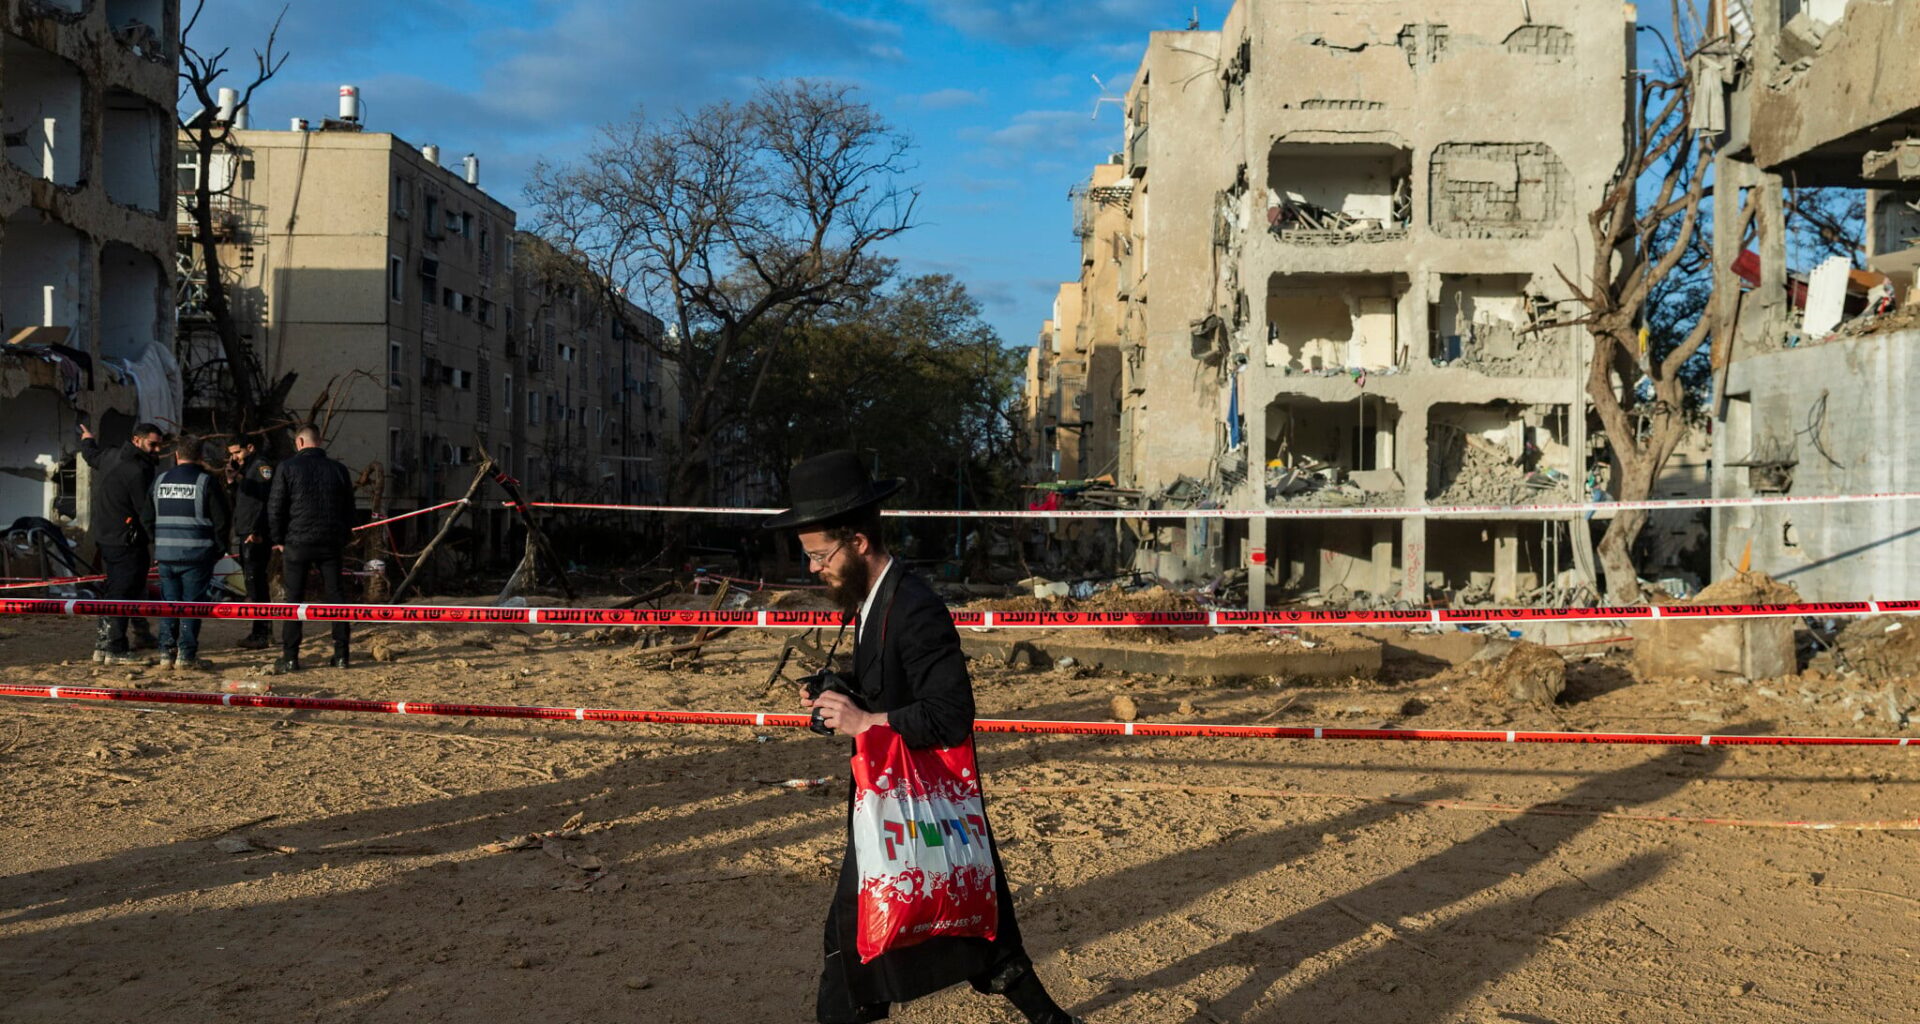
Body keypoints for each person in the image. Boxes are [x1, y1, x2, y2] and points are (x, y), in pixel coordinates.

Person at [768, 450, 1083, 1024]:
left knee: (852, 942)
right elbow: (892, 686)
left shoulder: (914, 607)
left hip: (911, 797)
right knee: (975, 938)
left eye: (819, 555)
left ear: (858, 542)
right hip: (892, 797)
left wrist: (865, 723)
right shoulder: (870, 600)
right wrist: (842, 694)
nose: (813, 569)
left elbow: (951, 712)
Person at [266, 423, 356, 673]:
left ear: (300, 443)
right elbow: (350, 508)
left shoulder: (287, 467)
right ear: (320, 441)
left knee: (293, 600)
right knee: (336, 598)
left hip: (296, 542)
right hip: (330, 543)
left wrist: (279, 539)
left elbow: (275, 507)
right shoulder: (338, 469)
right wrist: (343, 536)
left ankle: (291, 656)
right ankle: (341, 655)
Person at [88, 422, 164, 664]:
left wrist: (86, 440)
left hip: (111, 537)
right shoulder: (137, 470)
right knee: (122, 591)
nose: (156, 450)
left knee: (123, 589)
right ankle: (114, 646)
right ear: (137, 441)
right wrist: (157, 539)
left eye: (159, 445)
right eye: (152, 444)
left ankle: (112, 643)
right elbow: (145, 510)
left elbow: (91, 455)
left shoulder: (114, 458)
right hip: (125, 540)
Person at [152, 436, 230, 671]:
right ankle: (186, 655)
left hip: (165, 555)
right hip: (196, 555)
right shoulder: (206, 482)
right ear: (201, 457)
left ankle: (166, 653)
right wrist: (218, 549)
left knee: (169, 603)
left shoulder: (160, 480)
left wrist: (157, 545)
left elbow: (146, 517)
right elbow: (222, 520)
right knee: (191, 605)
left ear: (177, 455)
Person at [225, 436, 276, 649]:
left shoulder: (261, 467)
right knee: (252, 583)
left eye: (237, 452)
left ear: (250, 448)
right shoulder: (247, 472)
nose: (234, 457)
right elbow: (241, 502)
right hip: (245, 531)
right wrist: (231, 481)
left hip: (255, 535)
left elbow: (267, 502)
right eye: (231, 454)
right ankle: (261, 630)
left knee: (256, 583)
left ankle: (261, 632)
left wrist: (258, 530)